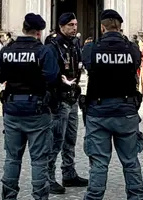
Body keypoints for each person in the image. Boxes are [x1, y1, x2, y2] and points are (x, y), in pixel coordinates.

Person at [0, 13, 59, 200]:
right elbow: (52, 77)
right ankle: (40, 196)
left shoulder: (7, 50)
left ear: (24, 29)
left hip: (12, 109)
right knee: (39, 160)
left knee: (12, 158)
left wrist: (9, 76)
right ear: (39, 32)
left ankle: (9, 196)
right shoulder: (43, 51)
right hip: (37, 110)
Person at [81, 9, 143, 200]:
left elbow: (87, 65)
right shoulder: (132, 49)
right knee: (130, 160)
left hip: (98, 111)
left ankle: (94, 197)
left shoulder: (91, 48)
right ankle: (137, 196)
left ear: (102, 28)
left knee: (99, 163)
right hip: (126, 110)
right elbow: (136, 64)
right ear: (119, 27)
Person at [46, 12, 89, 194]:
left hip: (72, 97)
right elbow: (48, 72)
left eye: (75, 24)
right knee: (56, 140)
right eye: (70, 25)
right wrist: (60, 81)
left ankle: (69, 173)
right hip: (59, 99)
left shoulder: (75, 43)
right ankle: (48, 178)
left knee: (70, 138)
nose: (74, 28)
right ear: (61, 26)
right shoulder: (53, 44)